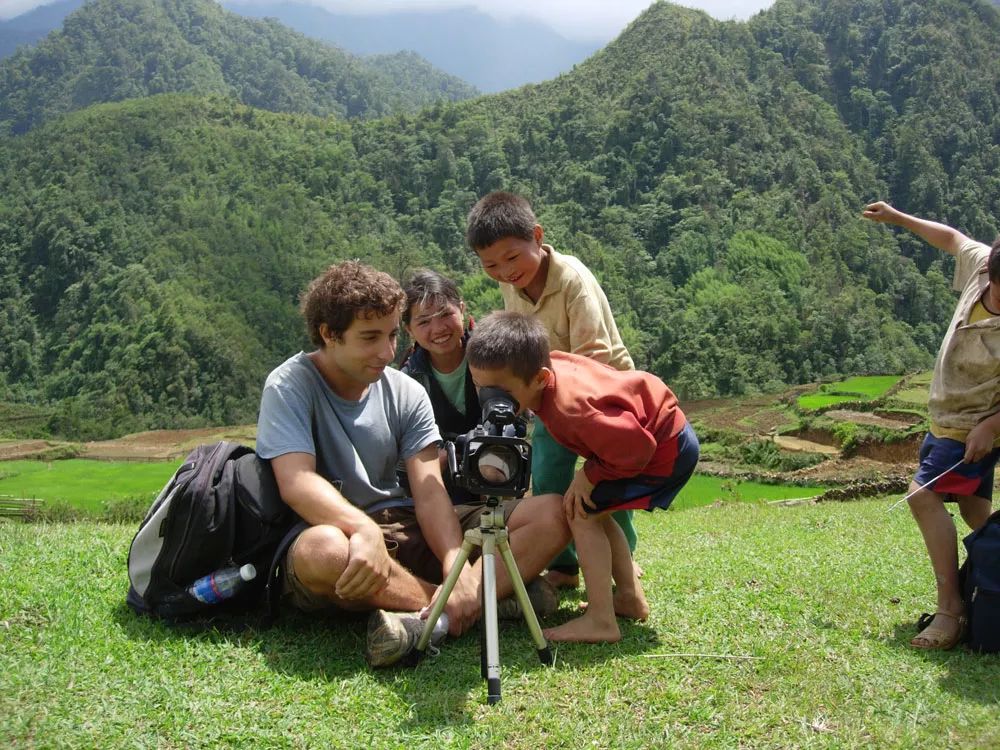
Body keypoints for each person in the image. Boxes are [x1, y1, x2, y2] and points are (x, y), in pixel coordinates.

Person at [256, 261, 569, 667]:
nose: (386, 352)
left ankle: (440, 608)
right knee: (325, 552)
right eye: (369, 338)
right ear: (328, 335)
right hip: (340, 531)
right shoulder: (289, 385)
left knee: (551, 513)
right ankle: (474, 603)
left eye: (390, 336)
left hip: (408, 525)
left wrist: (454, 561)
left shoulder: (405, 388)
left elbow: (428, 488)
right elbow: (296, 481)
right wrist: (361, 527)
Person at [466, 311, 700, 643]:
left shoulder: (572, 408)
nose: (490, 399)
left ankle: (602, 621)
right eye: (480, 387)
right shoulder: (547, 375)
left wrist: (590, 474)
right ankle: (630, 599)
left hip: (663, 451)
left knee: (581, 512)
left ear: (539, 378)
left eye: (500, 391)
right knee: (594, 511)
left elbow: (637, 447)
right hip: (660, 438)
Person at [466, 191, 639, 588]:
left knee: (609, 484)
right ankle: (563, 565)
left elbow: (595, 354)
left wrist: (561, 399)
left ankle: (623, 563)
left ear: (538, 237)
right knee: (545, 476)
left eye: (512, 258)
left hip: (604, 397)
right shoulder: (513, 285)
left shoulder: (572, 280)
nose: (505, 271)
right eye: (490, 264)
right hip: (550, 399)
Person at [862, 201, 1000, 650]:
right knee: (975, 509)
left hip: (971, 425)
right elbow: (952, 238)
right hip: (944, 417)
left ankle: (951, 610)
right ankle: (988, 588)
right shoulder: (982, 267)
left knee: (921, 494)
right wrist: (899, 218)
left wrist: (991, 427)